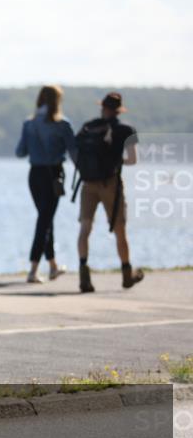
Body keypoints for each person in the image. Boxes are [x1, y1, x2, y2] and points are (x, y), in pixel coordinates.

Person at [75, 93, 143, 293]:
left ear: (102, 107)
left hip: (87, 183)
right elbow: (133, 160)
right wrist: (116, 161)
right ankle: (126, 273)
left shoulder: (88, 127)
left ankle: (84, 274)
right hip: (111, 183)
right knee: (119, 229)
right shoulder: (127, 130)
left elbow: (75, 152)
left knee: (85, 228)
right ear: (119, 110)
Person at [15, 85, 76, 283]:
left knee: (45, 219)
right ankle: (33, 269)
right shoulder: (62, 124)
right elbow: (74, 153)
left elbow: (20, 152)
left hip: (35, 175)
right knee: (44, 220)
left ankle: (53, 266)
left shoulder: (29, 123)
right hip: (54, 175)